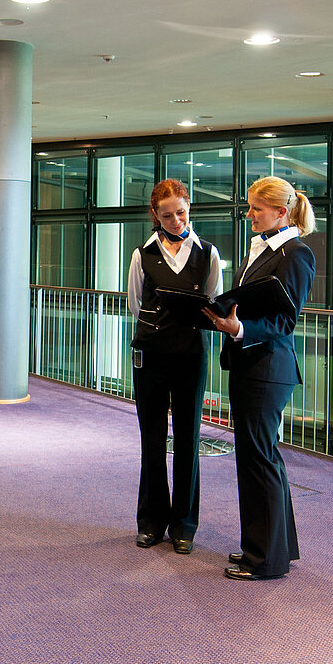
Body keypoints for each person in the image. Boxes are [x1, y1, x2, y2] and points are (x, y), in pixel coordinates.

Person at [203, 175, 316, 580]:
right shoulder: (267, 249)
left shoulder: (295, 254)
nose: (248, 214)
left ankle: (265, 559)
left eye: (256, 208)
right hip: (251, 365)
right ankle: (268, 549)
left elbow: (285, 321)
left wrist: (237, 329)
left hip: (268, 369)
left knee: (260, 460)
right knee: (258, 458)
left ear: (281, 212)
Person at [128, 179, 222, 554]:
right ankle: (151, 521)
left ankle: (184, 525)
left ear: (189, 208)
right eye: (166, 215)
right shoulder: (142, 254)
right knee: (151, 438)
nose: (175, 220)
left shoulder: (208, 253)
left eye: (180, 212)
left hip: (190, 354)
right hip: (150, 354)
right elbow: (136, 303)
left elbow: (213, 301)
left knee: (188, 438)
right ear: (155, 214)